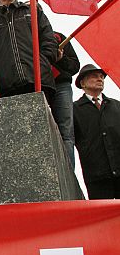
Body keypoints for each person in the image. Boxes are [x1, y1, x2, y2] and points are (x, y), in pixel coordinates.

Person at [0, 0, 57, 102]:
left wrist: (43, 61)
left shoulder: (32, 12)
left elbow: (49, 39)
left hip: (38, 80)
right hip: (6, 86)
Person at [73, 64, 120, 199]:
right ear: (82, 83)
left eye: (102, 77)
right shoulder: (74, 110)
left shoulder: (117, 106)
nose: (100, 79)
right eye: (94, 76)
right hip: (97, 176)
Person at [50, 33, 80, 168]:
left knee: (66, 132)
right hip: (34, 86)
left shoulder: (58, 37)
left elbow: (74, 66)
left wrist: (61, 59)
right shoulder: (23, 35)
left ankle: (68, 174)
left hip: (60, 86)